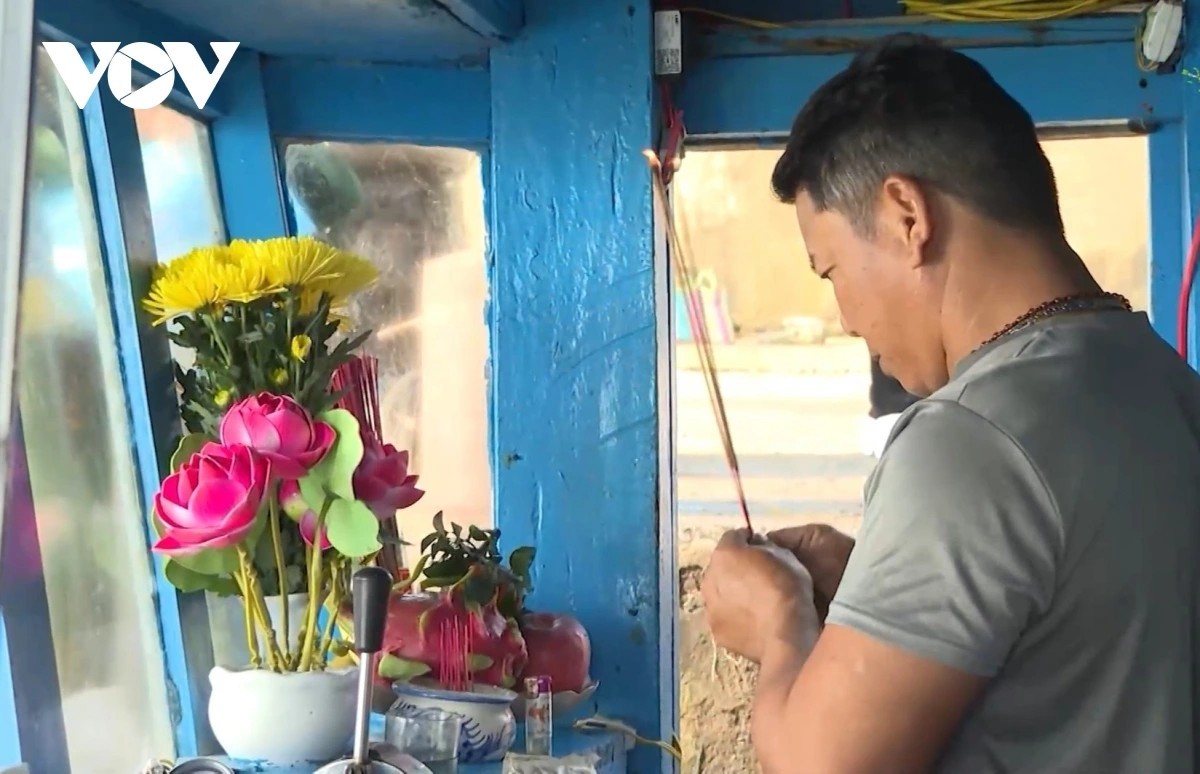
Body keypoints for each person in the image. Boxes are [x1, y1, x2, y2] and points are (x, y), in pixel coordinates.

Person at [700, 33, 1200, 774]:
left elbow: (822, 766)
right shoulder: (1162, 382)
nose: (845, 318)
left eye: (831, 269)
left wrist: (781, 624)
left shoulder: (969, 438)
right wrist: (872, 585)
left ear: (907, 215)